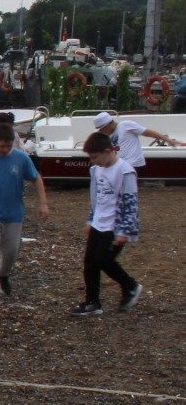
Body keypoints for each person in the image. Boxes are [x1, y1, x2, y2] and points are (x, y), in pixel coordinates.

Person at [0, 121, 50, 300]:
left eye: (8, 145)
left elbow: (36, 178)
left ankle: (2, 274)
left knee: (11, 251)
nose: (5, 149)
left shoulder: (21, 158)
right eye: (1, 146)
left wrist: (43, 203)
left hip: (13, 212)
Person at [71, 131, 141, 317]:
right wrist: (90, 219)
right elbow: (98, 198)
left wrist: (125, 230)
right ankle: (93, 302)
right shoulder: (96, 170)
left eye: (95, 157)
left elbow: (130, 202)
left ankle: (130, 286)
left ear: (108, 151)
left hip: (115, 226)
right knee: (90, 262)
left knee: (103, 259)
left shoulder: (125, 171)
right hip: (98, 223)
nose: (93, 161)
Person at [90, 111, 180, 171]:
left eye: (101, 129)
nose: (101, 132)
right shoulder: (108, 135)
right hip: (121, 166)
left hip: (133, 165)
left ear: (107, 126)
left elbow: (148, 133)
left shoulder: (126, 125)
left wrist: (168, 140)